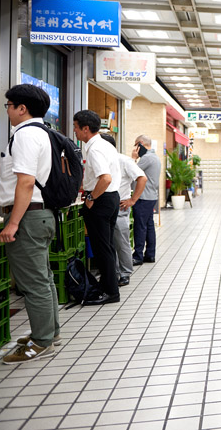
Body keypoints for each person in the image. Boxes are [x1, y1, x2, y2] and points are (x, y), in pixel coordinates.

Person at [0, 84, 60, 364]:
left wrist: (13, 223)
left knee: (34, 283)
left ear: (22, 109)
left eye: (8, 105)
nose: (7, 110)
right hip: (42, 215)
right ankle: (50, 332)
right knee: (43, 279)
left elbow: (25, 182)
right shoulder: (44, 133)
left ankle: (41, 342)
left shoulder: (24, 135)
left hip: (28, 216)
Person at [73, 110, 121, 305]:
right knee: (106, 247)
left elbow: (105, 178)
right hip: (111, 199)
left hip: (102, 200)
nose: (74, 131)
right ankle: (108, 287)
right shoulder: (104, 144)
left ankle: (110, 292)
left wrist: (91, 197)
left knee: (102, 249)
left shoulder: (95, 149)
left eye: (76, 127)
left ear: (86, 129)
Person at [100, 134, 146, 287]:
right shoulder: (99, 160)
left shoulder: (123, 160)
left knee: (121, 241)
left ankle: (125, 273)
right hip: (103, 205)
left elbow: (142, 178)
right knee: (107, 242)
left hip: (120, 205)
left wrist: (132, 200)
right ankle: (112, 272)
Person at [132, 134, 161, 265]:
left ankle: (137, 255)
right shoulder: (155, 157)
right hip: (151, 196)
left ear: (141, 144)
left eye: (136, 145)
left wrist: (133, 158)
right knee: (149, 226)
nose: (135, 148)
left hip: (143, 197)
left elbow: (131, 171)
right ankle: (150, 254)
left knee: (140, 226)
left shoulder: (147, 158)